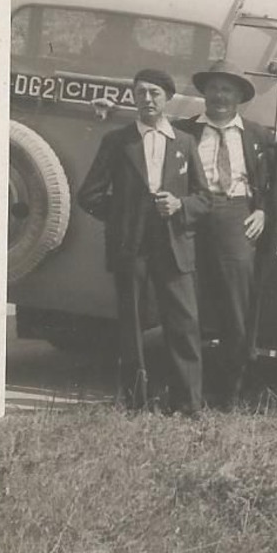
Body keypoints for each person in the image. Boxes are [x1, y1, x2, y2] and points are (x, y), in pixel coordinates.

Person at [79, 68, 211, 415]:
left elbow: (204, 198)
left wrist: (180, 205)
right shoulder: (118, 141)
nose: (148, 99)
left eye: (155, 93)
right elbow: (89, 195)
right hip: (131, 245)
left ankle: (188, 405)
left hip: (173, 244)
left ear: (167, 98)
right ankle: (135, 404)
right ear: (133, 98)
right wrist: (125, 215)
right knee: (132, 324)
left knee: (184, 323)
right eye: (141, 93)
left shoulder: (184, 142)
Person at [176, 61, 272, 409]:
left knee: (237, 305)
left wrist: (261, 210)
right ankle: (189, 391)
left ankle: (231, 390)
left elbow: (268, 183)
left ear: (238, 98)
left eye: (227, 90)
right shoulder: (183, 131)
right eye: (214, 88)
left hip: (237, 217)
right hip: (191, 217)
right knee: (189, 303)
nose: (219, 96)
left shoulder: (256, 135)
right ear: (205, 92)